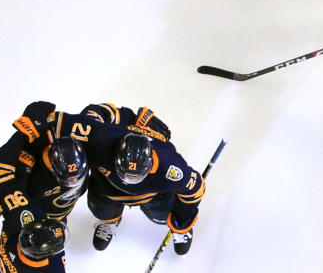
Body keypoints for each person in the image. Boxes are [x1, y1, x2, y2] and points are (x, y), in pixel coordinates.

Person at [45, 106, 206, 255]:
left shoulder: (171, 167)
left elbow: (196, 188)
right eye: (126, 173)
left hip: (152, 194)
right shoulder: (101, 138)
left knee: (162, 215)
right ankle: (110, 221)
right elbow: (59, 121)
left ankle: (181, 230)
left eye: (135, 176)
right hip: (107, 187)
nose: (129, 180)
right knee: (102, 209)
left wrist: (182, 220)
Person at [0, 101, 89, 267]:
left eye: (77, 178)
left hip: (56, 223)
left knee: (52, 268)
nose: (73, 183)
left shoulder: (81, 153)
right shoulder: (26, 174)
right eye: (68, 179)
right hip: (28, 228)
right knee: (25, 267)